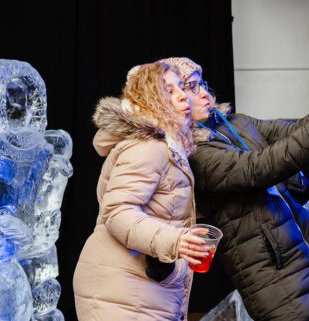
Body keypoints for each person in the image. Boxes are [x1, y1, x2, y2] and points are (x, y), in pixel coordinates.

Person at [160, 57, 309, 321]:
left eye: (202, 84)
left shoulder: (236, 122)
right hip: (271, 272)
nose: (204, 93)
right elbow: (260, 168)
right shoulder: (195, 155)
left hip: (299, 252)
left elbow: (291, 133)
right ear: (172, 99)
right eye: (192, 86)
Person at [73, 62, 210, 321]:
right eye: (168, 91)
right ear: (149, 101)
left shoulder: (169, 147)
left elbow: (164, 203)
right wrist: (175, 239)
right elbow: (117, 211)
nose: (182, 95)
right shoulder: (148, 146)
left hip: (139, 286)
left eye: (180, 87)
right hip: (119, 288)